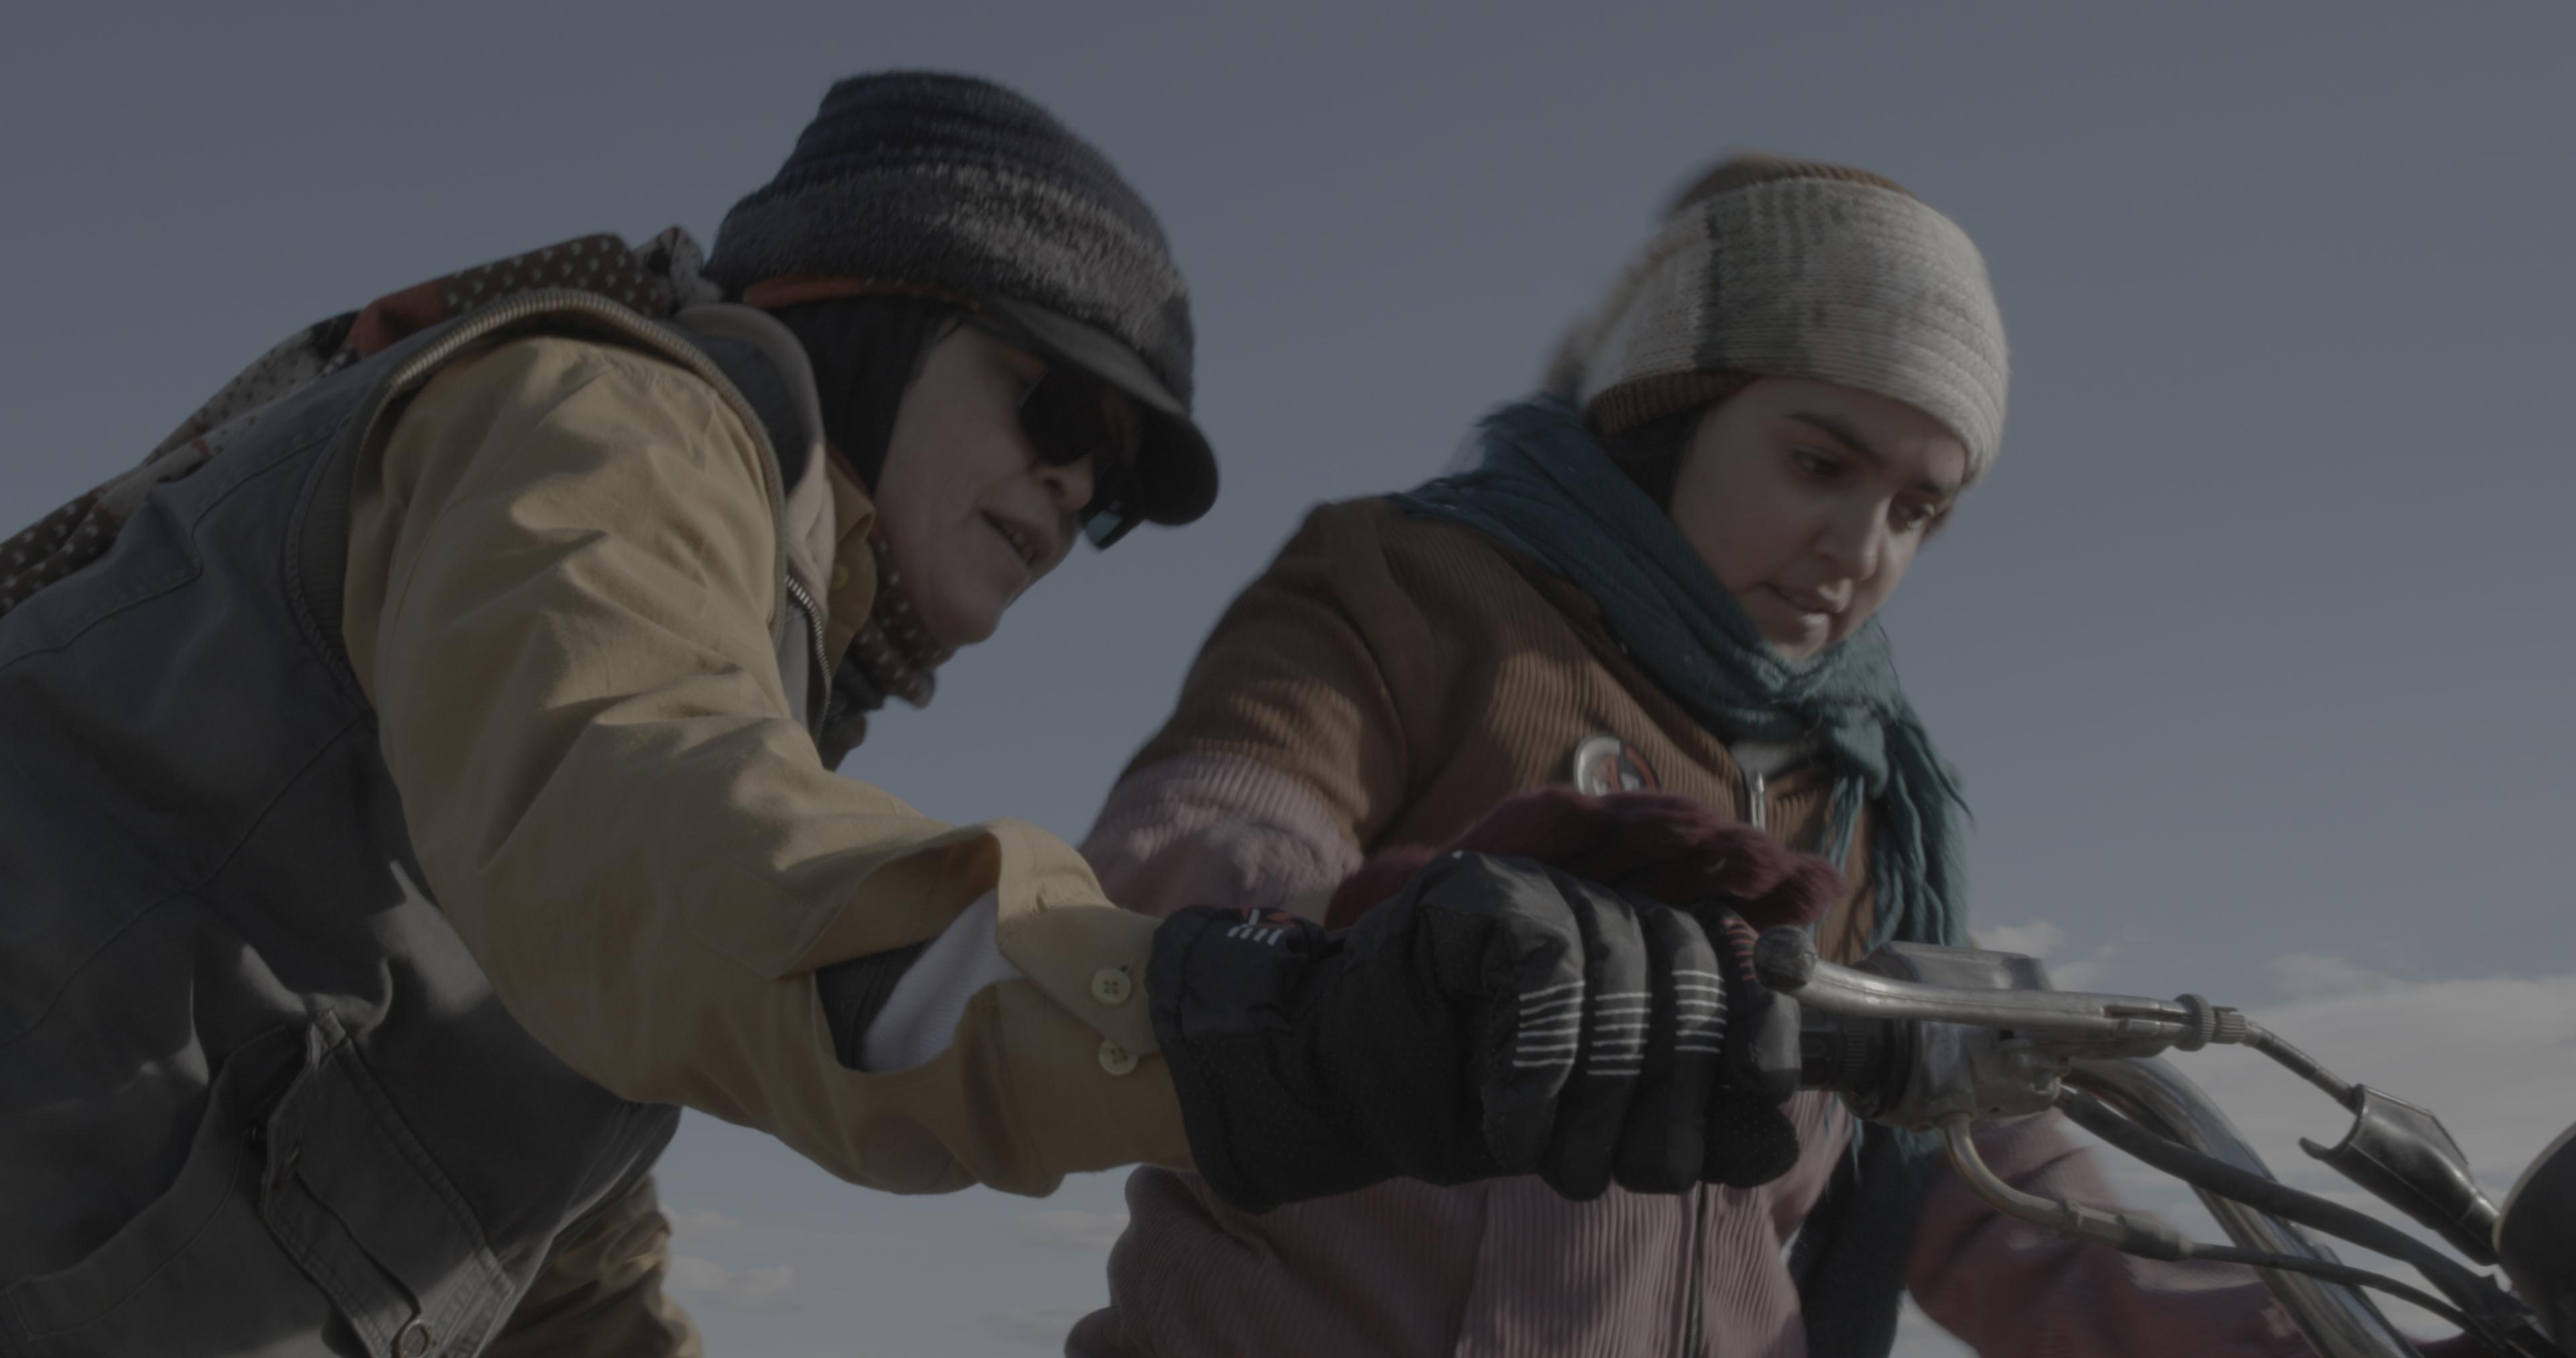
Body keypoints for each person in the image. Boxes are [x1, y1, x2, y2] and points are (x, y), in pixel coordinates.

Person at [0, 77, 1822, 1357]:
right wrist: (1261, 1019)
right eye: (1051, 412)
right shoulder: (607, 423)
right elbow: (652, 829)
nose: (1066, 499)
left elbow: (533, 1226)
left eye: (1106, 491)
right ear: (862, 311)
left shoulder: (750, 687)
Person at [1069, 154, 2335, 1357]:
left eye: (1917, 508)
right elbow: (1192, 838)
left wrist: (2286, 1327)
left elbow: (1983, 1163)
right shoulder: (1413, 585)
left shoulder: (1859, 785)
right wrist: (1398, 928)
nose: (1860, 545)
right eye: (1818, 461)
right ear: (1670, 413)